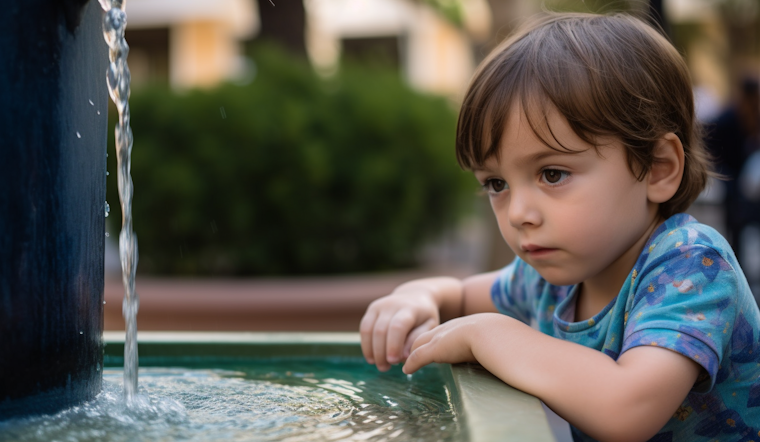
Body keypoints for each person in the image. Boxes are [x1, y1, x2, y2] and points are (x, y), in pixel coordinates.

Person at [359, 12, 760, 442]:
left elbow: (628, 408)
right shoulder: (549, 280)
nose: (518, 213)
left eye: (552, 174)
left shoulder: (691, 264)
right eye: (496, 184)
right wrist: (417, 296)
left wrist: (492, 334)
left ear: (657, 169)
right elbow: (458, 298)